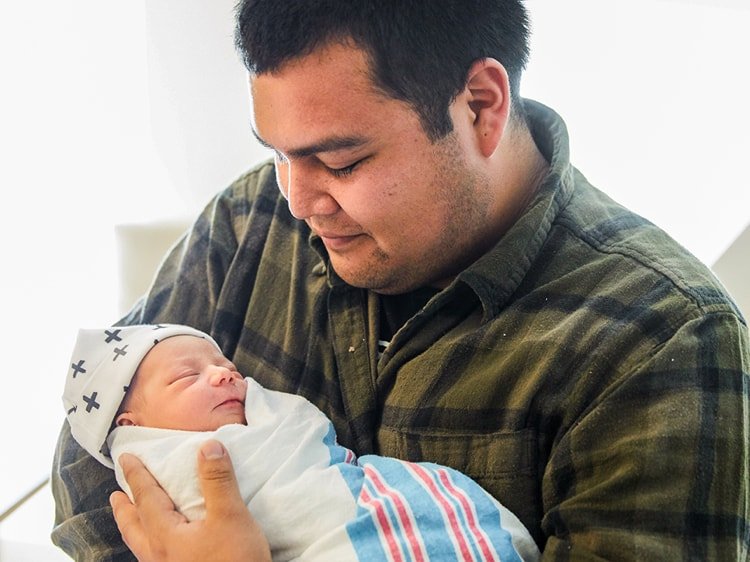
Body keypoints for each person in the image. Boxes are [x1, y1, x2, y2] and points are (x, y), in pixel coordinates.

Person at [51, 0, 749, 560]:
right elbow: (92, 469)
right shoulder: (248, 223)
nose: (297, 200)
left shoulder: (661, 341)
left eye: (342, 161)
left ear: (480, 104)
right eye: (279, 155)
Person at [62, 323, 540, 561]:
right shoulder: (158, 463)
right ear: (132, 422)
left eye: (223, 363)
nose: (226, 374)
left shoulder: (263, 420)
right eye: (189, 376)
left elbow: (304, 435)